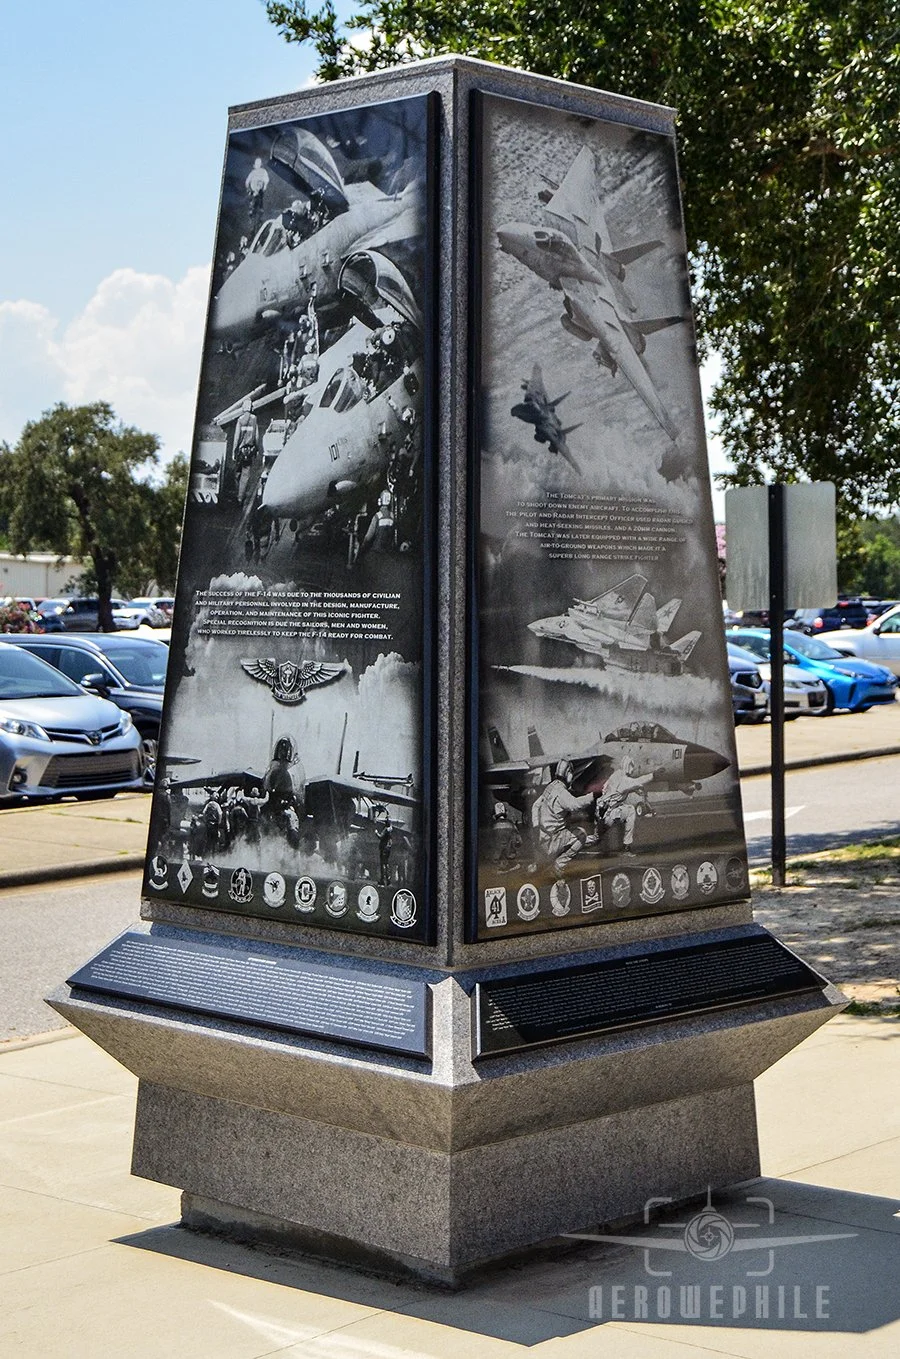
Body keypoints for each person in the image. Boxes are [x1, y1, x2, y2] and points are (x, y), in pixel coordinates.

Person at [531, 760, 595, 873]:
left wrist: (536, 827)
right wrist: (593, 795)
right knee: (581, 835)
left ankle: (538, 865)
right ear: (568, 774)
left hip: (540, 839)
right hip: (552, 841)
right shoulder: (561, 792)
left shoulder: (550, 787)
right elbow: (576, 805)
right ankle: (558, 865)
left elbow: (535, 806)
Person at [595, 757, 655, 852]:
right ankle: (626, 846)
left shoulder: (615, 776)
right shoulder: (623, 779)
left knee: (595, 837)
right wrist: (653, 775)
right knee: (630, 810)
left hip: (603, 811)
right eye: (631, 766)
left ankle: (571, 844)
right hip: (610, 813)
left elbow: (616, 789)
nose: (632, 769)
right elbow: (637, 782)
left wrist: (635, 789)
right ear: (627, 766)